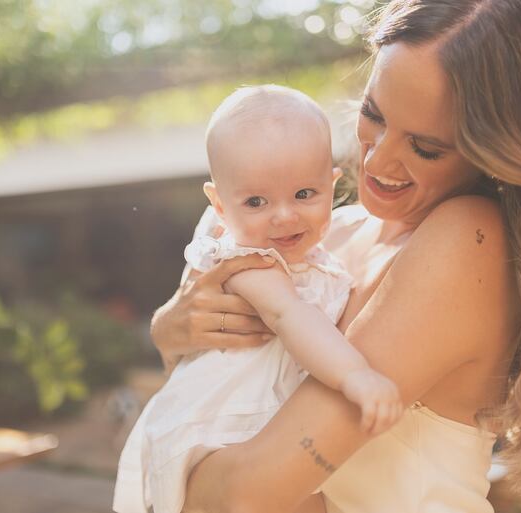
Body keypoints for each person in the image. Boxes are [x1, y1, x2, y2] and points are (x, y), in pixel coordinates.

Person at [148, 1, 521, 512]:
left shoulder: (470, 239)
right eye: (374, 114)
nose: (377, 159)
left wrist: (159, 471)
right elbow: (206, 386)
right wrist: (170, 328)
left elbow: (241, 497)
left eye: (426, 147)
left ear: (503, 150)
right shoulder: (333, 234)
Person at [113, 85, 402, 513]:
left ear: (333, 184)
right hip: (226, 423)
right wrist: (355, 376)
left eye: (305, 194)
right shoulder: (249, 263)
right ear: (220, 206)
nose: (284, 216)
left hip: (266, 420)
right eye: (255, 201)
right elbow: (290, 315)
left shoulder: (313, 258)